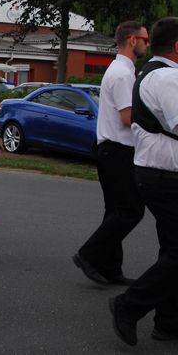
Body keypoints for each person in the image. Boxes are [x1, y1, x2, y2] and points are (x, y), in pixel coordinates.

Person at [109, 17, 178, 346]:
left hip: (158, 173)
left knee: (172, 250)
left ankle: (168, 322)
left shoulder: (154, 73)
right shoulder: (167, 77)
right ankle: (129, 305)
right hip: (164, 176)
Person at [74, 21, 148, 285]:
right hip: (118, 150)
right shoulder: (122, 74)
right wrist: (156, 119)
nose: (148, 44)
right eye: (145, 40)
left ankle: (110, 267)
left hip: (113, 149)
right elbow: (128, 118)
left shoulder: (122, 71)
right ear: (132, 40)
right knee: (131, 210)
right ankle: (88, 254)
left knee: (115, 210)